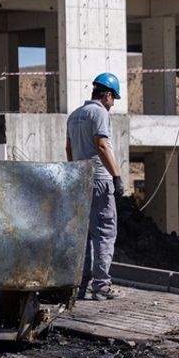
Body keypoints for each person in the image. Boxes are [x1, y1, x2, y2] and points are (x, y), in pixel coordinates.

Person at [66, 73, 125, 301]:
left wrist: (76, 173)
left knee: (85, 235)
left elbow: (69, 149)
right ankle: (101, 286)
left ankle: (80, 285)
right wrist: (116, 175)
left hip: (81, 180)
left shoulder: (75, 115)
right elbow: (101, 145)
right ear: (107, 95)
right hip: (100, 179)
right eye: (114, 99)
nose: (113, 104)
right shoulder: (99, 113)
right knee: (105, 232)